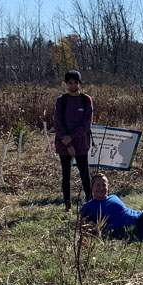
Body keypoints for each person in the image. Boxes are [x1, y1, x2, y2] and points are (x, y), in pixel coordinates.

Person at [80, 173, 143, 247]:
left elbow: (125, 212)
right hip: (130, 231)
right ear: (91, 187)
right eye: (98, 185)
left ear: (108, 187)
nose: (101, 188)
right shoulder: (88, 206)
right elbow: (83, 226)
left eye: (104, 185)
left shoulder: (113, 197)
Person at [55, 70, 93, 212]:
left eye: (75, 82)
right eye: (70, 82)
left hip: (81, 143)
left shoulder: (86, 100)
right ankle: (67, 206)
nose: (73, 85)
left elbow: (86, 123)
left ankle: (91, 205)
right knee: (66, 176)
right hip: (64, 144)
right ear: (66, 84)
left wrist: (72, 137)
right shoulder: (61, 101)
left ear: (79, 83)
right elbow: (58, 124)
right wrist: (68, 143)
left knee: (85, 176)